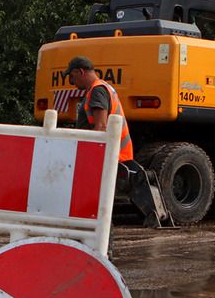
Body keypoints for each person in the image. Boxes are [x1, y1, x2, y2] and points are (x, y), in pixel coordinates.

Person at [66, 55, 164, 225]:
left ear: (80, 71)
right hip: (116, 150)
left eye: (72, 76)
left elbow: (101, 126)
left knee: (96, 189)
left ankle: (97, 222)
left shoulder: (97, 91)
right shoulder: (103, 88)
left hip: (109, 151)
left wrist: (95, 153)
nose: (72, 82)